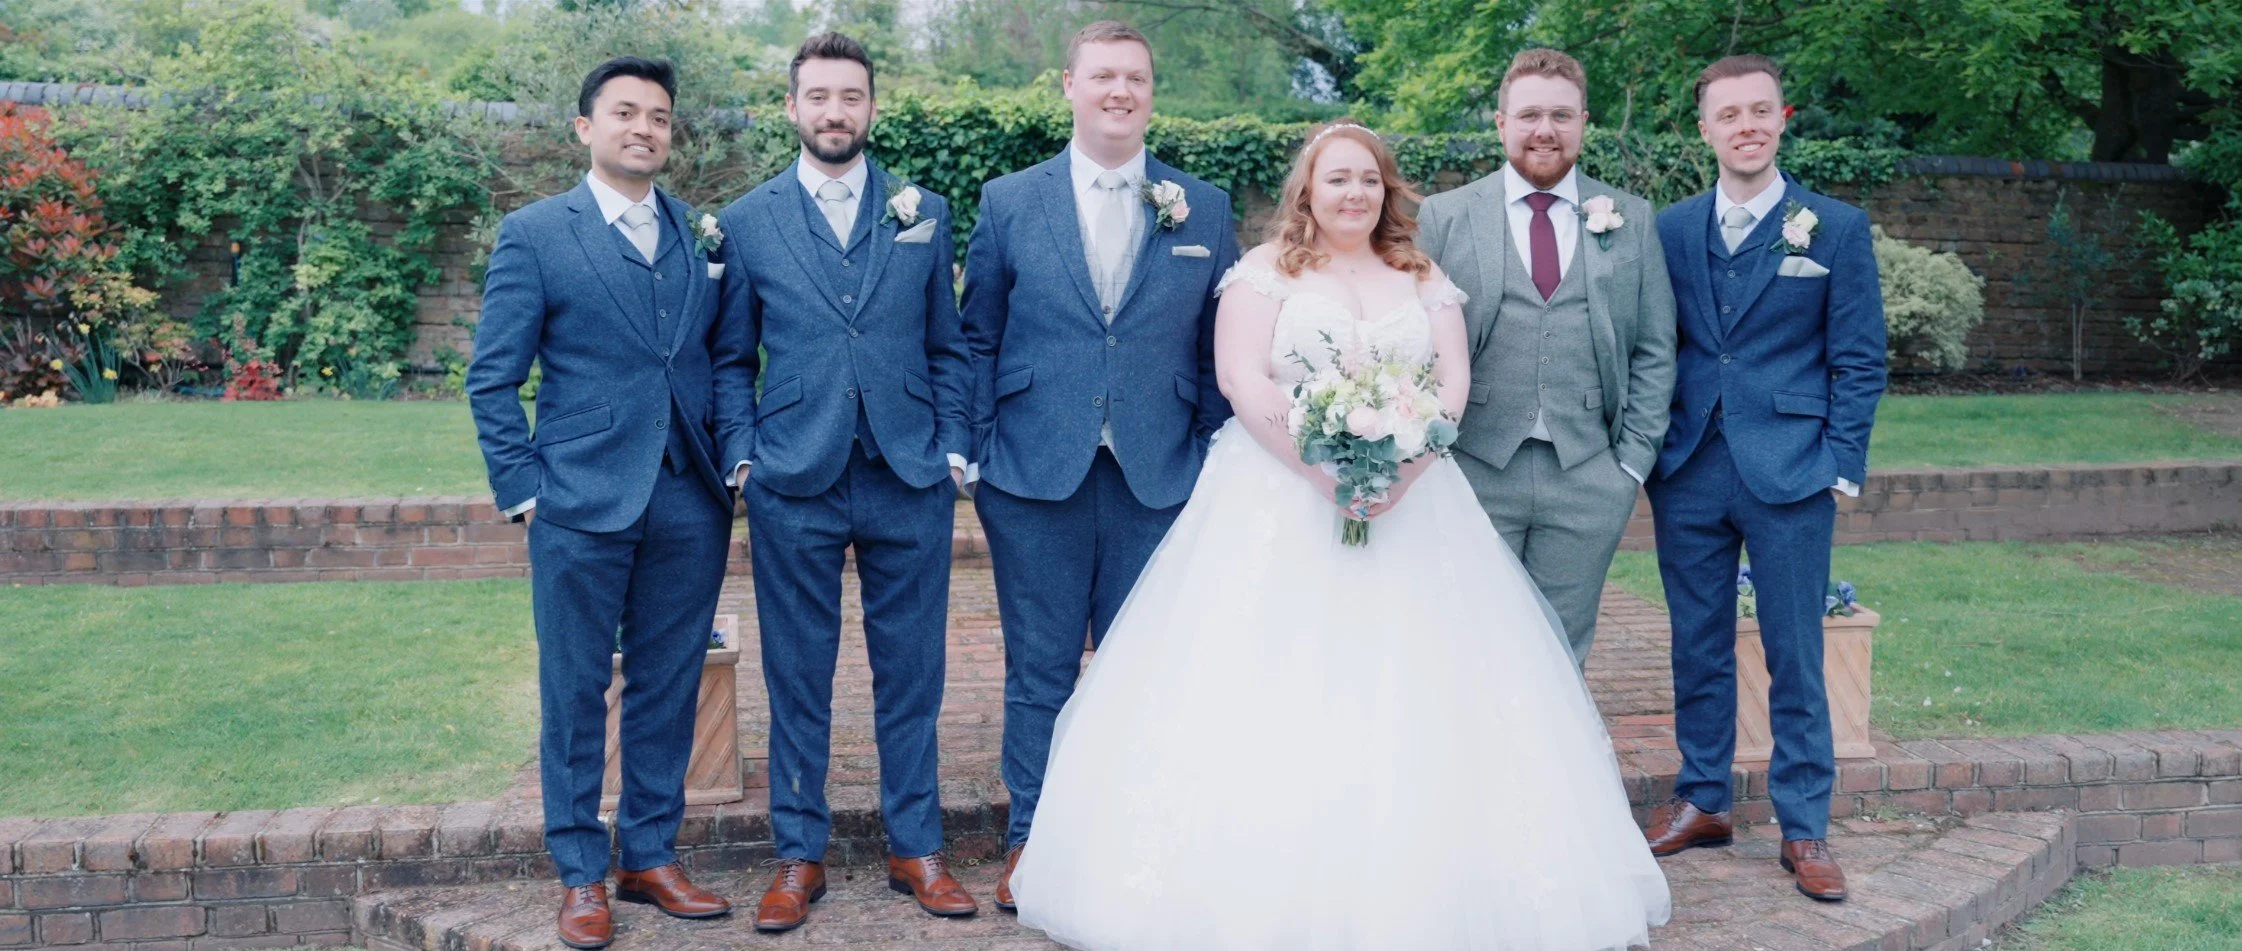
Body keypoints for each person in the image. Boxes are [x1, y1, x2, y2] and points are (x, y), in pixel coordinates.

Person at [1006, 120, 1670, 951]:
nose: (1354, 193)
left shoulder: (1422, 275)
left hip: (1415, 509)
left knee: (1420, 686)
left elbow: (1452, 382)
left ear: (1386, 191)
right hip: (1276, 497)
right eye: (1337, 179)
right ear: (1308, 191)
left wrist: (1405, 468)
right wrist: (1322, 469)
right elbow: (1241, 377)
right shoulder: (1262, 272)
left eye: (1368, 179)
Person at [956, 20, 1237, 909]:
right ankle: (1033, 840)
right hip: (1034, 473)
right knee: (1039, 669)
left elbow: (1218, 346)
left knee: (1142, 667)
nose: (1121, 91)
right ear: (1069, 85)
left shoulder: (1206, 205)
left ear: (1152, 93)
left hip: (1160, 475)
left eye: (1137, 79)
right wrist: (981, 455)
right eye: (1104, 76)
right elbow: (977, 336)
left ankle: (1128, 842)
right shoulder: (1009, 201)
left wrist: (1206, 456)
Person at [465, 56, 738, 950]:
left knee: (668, 684)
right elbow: (493, 381)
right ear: (585, 128)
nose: (644, 129)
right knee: (575, 691)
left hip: (687, 498)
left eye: (659, 117)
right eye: (625, 113)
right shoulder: (537, 233)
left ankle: (650, 855)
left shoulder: (702, 236)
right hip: (578, 504)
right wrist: (526, 493)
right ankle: (582, 870)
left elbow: (706, 360)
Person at [712, 32, 981, 931]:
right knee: (798, 672)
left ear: (872, 107)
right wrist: (744, 454)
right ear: (792, 107)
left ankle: (917, 847)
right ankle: (799, 854)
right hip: (795, 473)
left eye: (851, 96)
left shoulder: (923, 211)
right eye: (819, 96)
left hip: (908, 470)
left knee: (914, 671)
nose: (835, 111)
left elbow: (948, 344)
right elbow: (728, 357)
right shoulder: (748, 221)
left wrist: (949, 446)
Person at [1642, 53, 1887, 903]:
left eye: (1760, 111)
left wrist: (1840, 465)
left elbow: (1860, 359)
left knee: (1795, 649)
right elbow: (1657, 345)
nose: (1745, 125)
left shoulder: (1835, 227)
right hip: (1689, 466)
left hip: (1791, 471)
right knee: (1697, 643)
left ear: (1783, 119)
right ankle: (1703, 799)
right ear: (1704, 128)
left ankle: (1804, 824)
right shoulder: (1669, 230)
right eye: (1727, 113)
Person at [1416, 48, 1677, 672]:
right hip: (1472, 466)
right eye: (1529, 114)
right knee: (1467, 642)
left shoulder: (1632, 219)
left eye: (1562, 115)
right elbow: (1412, 339)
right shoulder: (1445, 216)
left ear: (1584, 122)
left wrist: (1630, 466)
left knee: (1560, 651)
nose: (1545, 130)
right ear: (1501, 122)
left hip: (1588, 472)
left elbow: (1654, 348)